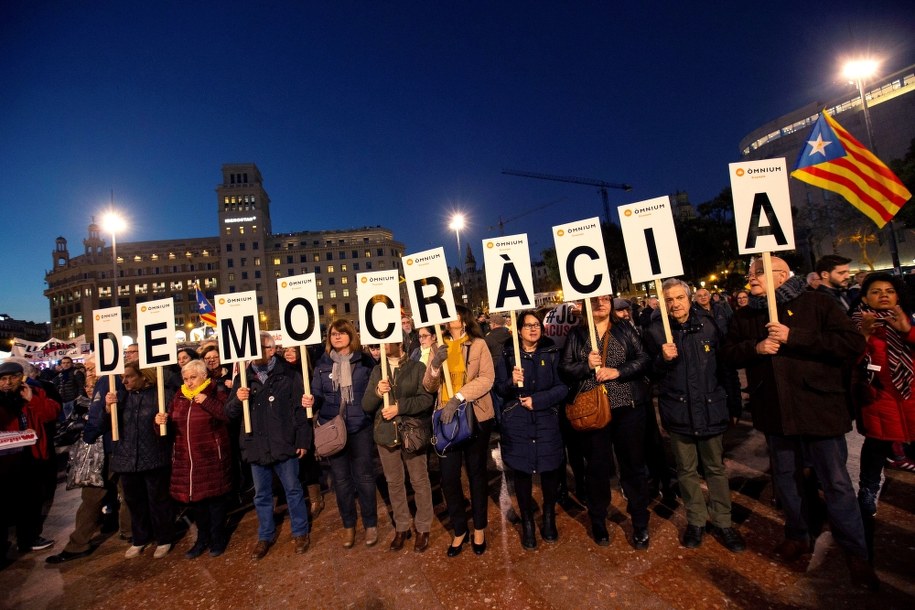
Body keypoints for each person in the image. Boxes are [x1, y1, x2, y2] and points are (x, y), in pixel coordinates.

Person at [722, 256, 877, 591]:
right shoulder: (747, 314)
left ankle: (856, 552)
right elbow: (729, 353)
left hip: (819, 410)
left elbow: (851, 343)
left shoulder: (818, 303)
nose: (750, 278)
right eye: (750, 273)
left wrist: (796, 337)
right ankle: (796, 535)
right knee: (786, 480)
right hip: (775, 413)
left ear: (780, 276)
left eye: (757, 272)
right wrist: (756, 347)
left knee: (836, 484)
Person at [645, 279, 745, 552]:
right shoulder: (655, 331)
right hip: (678, 413)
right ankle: (696, 521)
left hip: (710, 409)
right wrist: (660, 360)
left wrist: (734, 405)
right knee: (687, 471)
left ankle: (724, 521)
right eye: (669, 299)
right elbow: (650, 376)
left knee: (715, 468)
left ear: (689, 299)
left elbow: (725, 368)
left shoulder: (710, 325)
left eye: (679, 297)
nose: (675, 303)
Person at [559, 294, 652, 549]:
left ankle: (640, 521)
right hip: (593, 411)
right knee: (597, 468)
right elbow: (564, 368)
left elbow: (644, 359)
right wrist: (585, 365)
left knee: (633, 466)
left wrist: (619, 371)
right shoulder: (576, 335)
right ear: (586, 305)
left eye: (605, 300)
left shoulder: (624, 328)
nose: (601, 304)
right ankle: (598, 519)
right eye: (595, 300)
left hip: (627, 408)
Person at [225, 332, 311, 559]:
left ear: (272, 350)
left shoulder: (289, 375)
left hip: (284, 442)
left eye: (262, 347)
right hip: (256, 445)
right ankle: (265, 535)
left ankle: (300, 531)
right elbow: (230, 414)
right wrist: (237, 399)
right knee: (262, 495)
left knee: (293, 490)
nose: (257, 352)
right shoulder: (242, 379)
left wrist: (303, 440)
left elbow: (300, 409)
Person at [423, 304, 496, 557]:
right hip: (447, 420)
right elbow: (429, 385)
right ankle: (459, 529)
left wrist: (459, 397)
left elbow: (487, 378)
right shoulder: (437, 346)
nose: (447, 317)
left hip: (475, 415)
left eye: (452, 313)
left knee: (476, 473)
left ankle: (478, 528)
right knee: (449, 478)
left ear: (463, 319)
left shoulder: (477, 344)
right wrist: (434, 366)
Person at [494, 311, 568, 550]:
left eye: (537, 325)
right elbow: (499, 390)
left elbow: (562, 387)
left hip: (546, 419)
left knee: (550, 470)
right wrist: (510, 382)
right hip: (517, 422)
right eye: (528, 326)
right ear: (518, 330)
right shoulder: (506, 354)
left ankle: (548, 517)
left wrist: (539, 400)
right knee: (522, 473)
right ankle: (527, 521)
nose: (533, 329)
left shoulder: (552, 352)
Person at [304, 320, 378, 548]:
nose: (336, 337)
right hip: (333, 430)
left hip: (359, 428)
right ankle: (349, 526)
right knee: (342, 481)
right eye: (333, 334)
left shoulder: (364, 361)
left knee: (364, 479)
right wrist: (311, 401)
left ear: (350, 335)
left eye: (341, 333)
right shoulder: (323, 364)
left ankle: (370, 524)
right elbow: (317, 394)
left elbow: (372, 393)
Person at [850, 273, 915, 517]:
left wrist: (907, 330)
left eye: (889, 290)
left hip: (910, 395)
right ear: (865, 298)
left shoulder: (908, 319)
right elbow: (849, 360)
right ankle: (868, 491)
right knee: (876, 447)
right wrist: (864, 336)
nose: (884, 295)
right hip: (878, 397)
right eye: (876, 292)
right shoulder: (856, 323)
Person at [154, 359, 233, 558]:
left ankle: (218, 538)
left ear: (204, 376)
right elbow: (168, 430)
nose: (189, 382)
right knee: (197, 504)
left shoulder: (216, 392)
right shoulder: (179, 398)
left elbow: (227, 416)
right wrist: (159, 423)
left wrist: (205, 401)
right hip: (187, 460)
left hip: (210, 457)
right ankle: (202, 539)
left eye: (193, 378)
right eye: (186, 378)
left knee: (215, 502)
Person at [362, 341, 435, 552]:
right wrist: (377, 391)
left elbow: (425, 399)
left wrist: (399, 408)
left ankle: (423, 527)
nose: (381, 344)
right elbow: (366, 405)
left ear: (399, 342)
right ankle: (402, 526)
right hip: (385, 435)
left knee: (419, 480)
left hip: (411, 434)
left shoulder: (417, 367)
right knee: (394, 482)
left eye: (386, 339)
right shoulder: (377, 370)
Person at [107, 363, 174, 559]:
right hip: (127, 458)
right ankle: (140, 537)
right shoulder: (120, 397)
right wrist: (108, 407)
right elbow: (108, 425)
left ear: (144, 376)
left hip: (154, 456)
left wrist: (164, 422)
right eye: (122, 378)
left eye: (129, 377)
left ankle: (164, 538)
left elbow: (172, 424)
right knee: (134, 502)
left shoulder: (161, 395)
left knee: (158, 500)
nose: (124, 381)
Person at [0, 361, 60, 557]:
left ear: (22, 378)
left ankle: (29, 538)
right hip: (6, 461)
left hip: (32, 456)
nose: (7, 383)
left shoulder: (35, 392)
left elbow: (51, 414)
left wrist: (31, 400)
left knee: (32, 500)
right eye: (3, 379)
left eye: (13, 377)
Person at [282, 345, 325, 520]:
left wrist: (312, 403)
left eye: (293, 350)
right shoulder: (281, 372)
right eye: (286, 351)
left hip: (306, 420)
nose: (289, 353)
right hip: (288, 421)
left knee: (307, 462)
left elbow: (318, 396)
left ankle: (316, 498)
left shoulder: (309, 371)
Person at [53, 356, 85, 421]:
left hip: (74, 400)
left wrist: (79, 398)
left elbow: (81, 386)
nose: (66, 364)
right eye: (63, 363)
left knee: (76, 420)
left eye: (68, 362)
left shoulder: (76, 373)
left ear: (71, 363)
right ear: (61, 364)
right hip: (64, 401)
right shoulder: (61, 374)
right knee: (68, 420)